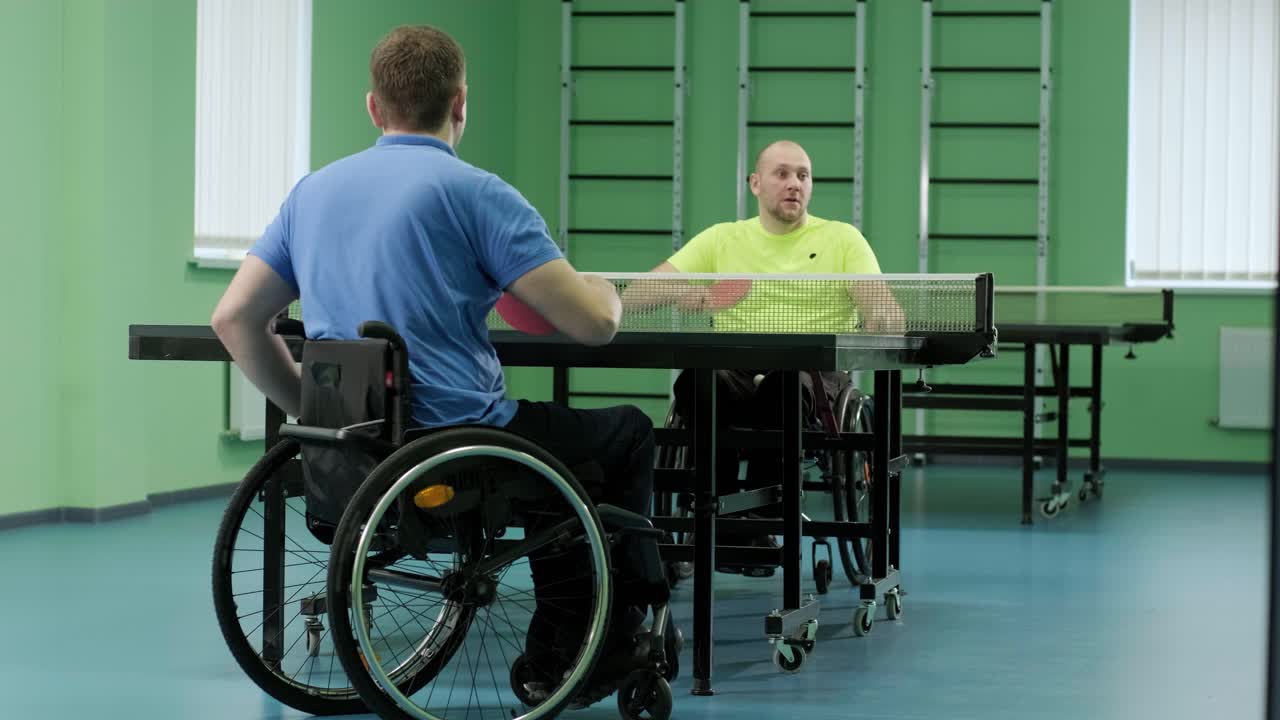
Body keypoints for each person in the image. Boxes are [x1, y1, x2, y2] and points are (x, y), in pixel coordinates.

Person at [210, 24, 654, 704]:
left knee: (560, 455)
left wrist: (312, 411)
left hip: (354, 446)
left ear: (373, 107)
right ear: (461, 103)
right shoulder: (478, 194)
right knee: (623, 433)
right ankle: (604, 641)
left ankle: (567, 632)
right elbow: (590, 325)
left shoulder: (312, 194)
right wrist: (608, 293)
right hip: (463, 441)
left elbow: (234, 318)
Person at [623, 139, 901, 576]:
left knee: (783, 385)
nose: (795, 184)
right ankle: (715, 508)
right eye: (782, 173)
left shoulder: (842, 239)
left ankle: (758, 515)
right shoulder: (722, 238)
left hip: (811, 369)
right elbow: (638, 294)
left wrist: (881, 313)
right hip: (735, 363)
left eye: (803, 175)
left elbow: (879, 304)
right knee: (699, 381)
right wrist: (686, 293)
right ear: (755, 183)